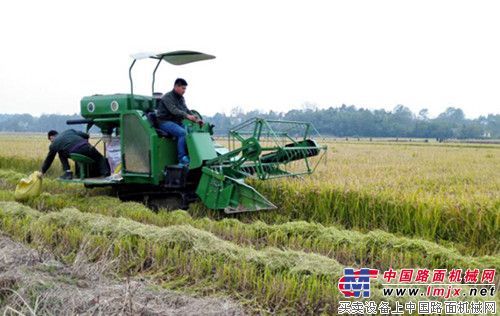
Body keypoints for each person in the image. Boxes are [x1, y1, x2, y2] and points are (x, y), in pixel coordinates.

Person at [157, 78, 202, 166]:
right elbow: (174, 110)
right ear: (176, 86)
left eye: (185, 88)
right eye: (183, 88)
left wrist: (197, 119)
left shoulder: (181, 98)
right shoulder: (167, 97)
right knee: (182, 133)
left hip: (176, 122)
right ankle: (182, 158)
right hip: (165, 122)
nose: (184, 91)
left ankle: (193, 156)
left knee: (190, 133)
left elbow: (185, 109)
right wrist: (187, 116)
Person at [41, 129, 110, 179]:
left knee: (61, 153)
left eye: (50, 140)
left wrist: (42, 171)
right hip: (87, 147)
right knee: (100, 158)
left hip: (74, 152)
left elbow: (49, 159)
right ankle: (106, 174)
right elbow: (85, 135)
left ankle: (68, 173)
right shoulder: (69, 131)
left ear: (51, 137)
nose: (51, 142)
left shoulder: (54, 144)